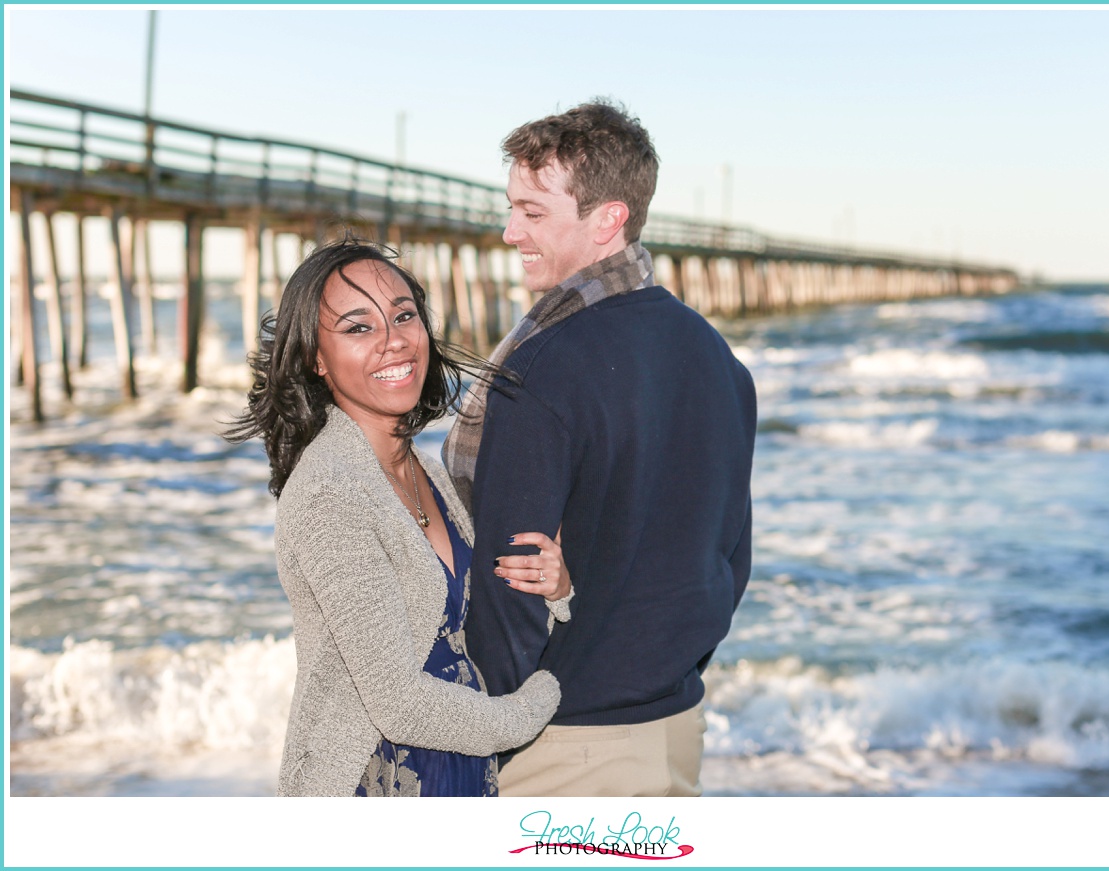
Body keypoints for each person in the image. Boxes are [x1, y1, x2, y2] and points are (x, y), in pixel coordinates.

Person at [442, 99, 757, 796]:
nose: (508, 230)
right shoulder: (718, 359)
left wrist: (484, 726)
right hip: (677, 728)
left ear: (607, 218)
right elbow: (730, 562)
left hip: (566, 748)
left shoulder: (542, 366)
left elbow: (511, 581)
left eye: (532, 211)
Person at [226, 237, 573, 797]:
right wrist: (531, 709)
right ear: (316, 357)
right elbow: (399, 703)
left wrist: (555, 586)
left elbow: (464, 619)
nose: (394, 342)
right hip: (372, 786)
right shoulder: (329, 493)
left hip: (456, 774)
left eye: (404, 316)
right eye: (359, 327)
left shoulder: (424, 470)